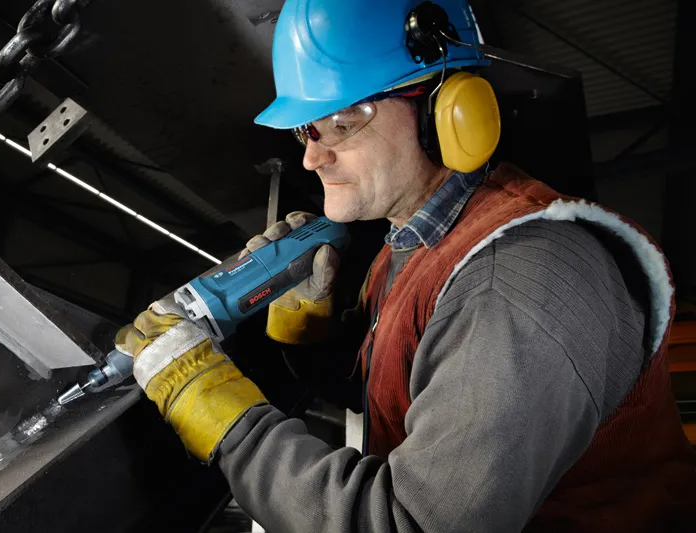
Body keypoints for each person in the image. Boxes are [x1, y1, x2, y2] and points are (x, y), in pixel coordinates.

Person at [115, 1, 696, 530]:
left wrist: (220, 416)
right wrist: (306, 333)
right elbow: (400, 391)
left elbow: (409, 524)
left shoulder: (518, 279)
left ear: (448, 110)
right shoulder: (409, 245)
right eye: (306, 129)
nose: (313, 156)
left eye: (343, 121)